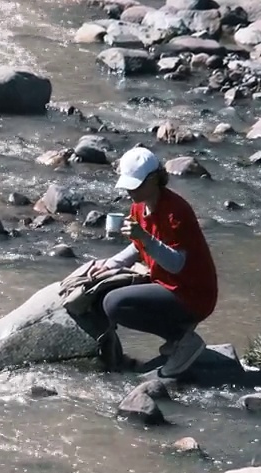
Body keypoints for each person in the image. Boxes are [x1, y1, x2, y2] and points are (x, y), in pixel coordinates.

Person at [91, 146, 218, 378]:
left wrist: (145, 239)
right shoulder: (138, 207)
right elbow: (137, 246)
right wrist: (112, 263)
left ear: (153, 179)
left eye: (135, 185)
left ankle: (183, 340)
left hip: (191, 293)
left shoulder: (176, 212)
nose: (130, 191)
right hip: (166, 283)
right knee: (102, 290)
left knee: (114, 303)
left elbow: (177, 264)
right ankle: (175, 337)